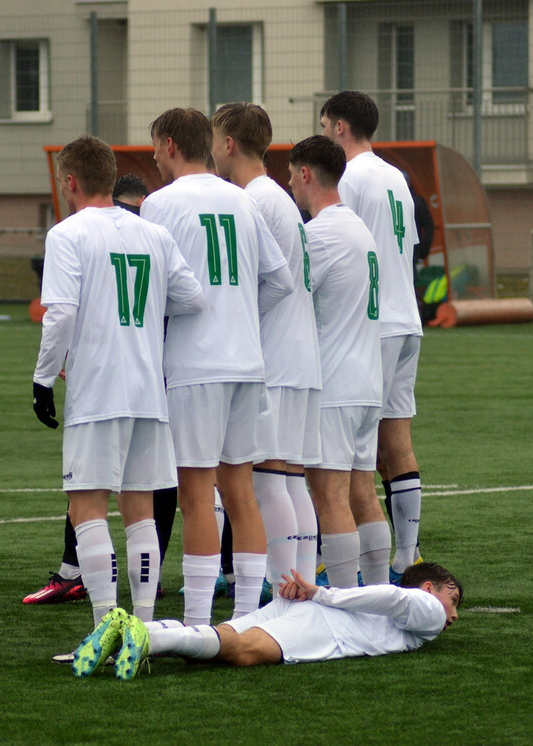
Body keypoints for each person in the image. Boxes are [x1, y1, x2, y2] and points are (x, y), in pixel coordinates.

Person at [32, 135, 205, 644]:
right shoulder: (152, 233)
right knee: (140, 508)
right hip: (149, 390)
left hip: (100, 389)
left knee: (86, 504)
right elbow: (192, 297)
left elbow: (60, 313)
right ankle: (145, 629)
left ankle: (106, 629)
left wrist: (43, 378)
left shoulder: (67, 234)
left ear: (70, 182)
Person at [140, 108, 295, 625]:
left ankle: (199, 624)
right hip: (247, 363)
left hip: (195, 365)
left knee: (195, 492)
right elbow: (280, 282)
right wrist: (241, 314)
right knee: (239, 489)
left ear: (168, 145)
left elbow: (153, 291)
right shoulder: (242, 200)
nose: (154, 158)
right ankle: (249, 618)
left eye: (155, 148)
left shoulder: (159, 204)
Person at [210, 102, 323, 587]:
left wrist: (234, 320)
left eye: (215, 140)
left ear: (228, 144)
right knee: (290, 480)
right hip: (300, 354)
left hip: (275, 356)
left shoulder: (253, 200)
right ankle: (298, 585)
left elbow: (269, 284)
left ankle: (284, 590)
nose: (212, 150)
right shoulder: (276, 197)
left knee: (269, 479)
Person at [320, 91, 423, 582]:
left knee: (353, 451)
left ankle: (350, 561)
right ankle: (407, 554)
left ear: (339, 127)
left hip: (374, 324)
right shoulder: (394, 175)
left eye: (323, 127)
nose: (322, 136)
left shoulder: (349, 176)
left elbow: (347, 246)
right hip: (407, 321)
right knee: (396, 442)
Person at [286, 135, 388, 588]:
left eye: (290, 175)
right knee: (363, 492)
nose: (288, 184)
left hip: (336, 384)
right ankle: (380, 593)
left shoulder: (321, 232)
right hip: (367, 382)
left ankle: (347, 601)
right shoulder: (357, 227)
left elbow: (287, 293)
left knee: (330, 494)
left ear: (305, 174)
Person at [71, 561, 460, 679]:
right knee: (241, 651)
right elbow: (393, 594)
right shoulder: (428, 610)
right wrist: (321, 593)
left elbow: (388, 598)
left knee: (222, 640)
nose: (453, 615)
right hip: (326, 625)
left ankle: (135, 632)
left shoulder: (418, 611)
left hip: (308, 612)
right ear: (428, 588)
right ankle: (149, 641)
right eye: (452, 599)